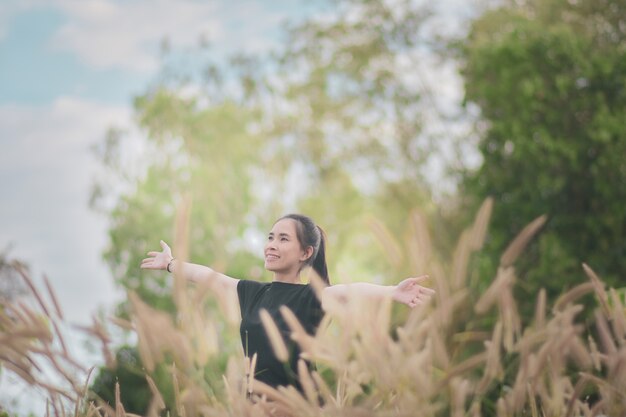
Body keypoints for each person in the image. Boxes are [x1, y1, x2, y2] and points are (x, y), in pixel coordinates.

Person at [140, 213, 434, 394]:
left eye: (283, 239)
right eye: (270, 237)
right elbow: (211, 278)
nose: (271, 245)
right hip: (255, 406)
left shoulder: (313, 296)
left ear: (306, 252)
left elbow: (352, 290)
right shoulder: (252, 292)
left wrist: (392, 292)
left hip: (300, 406)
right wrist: (171, 264)